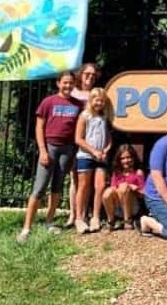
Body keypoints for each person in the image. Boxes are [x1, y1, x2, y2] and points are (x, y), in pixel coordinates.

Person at [17, 70, 82, 242]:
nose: (68, 86)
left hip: (67, 150)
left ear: (74, 84)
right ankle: (26, 228)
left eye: (71, 83)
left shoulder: (78, 105)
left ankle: (49, 221)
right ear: (58, 83)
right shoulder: (48, 102)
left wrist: (74, 152)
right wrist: (43, 150)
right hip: (50, 148)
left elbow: (79, 130)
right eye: (65, 82)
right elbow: (39, 128)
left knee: (57, 188)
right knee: (39, 189)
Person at [66, 62, 101, 228]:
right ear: (81, 74)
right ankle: (73, 214)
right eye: (88, 73)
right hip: (73, 139)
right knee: (74, 179)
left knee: (85, 180)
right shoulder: (72, 92)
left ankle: (84, 213)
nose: (90, 77)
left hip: (90, 142)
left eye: (94, 75)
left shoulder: (95, 93)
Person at [74, 87, 113, 233]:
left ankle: (95, 216)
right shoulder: (84, 116)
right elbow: (78, 138)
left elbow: (108, 136)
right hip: (86, 155)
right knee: (83, 186)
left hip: (101, 156)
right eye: (97, 100)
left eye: (102, 101)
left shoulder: (104, 117)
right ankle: (79, 218)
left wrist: (107, 149)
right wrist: (93, 151)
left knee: (100, 185)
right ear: (91, 101)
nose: (99, 103)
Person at [103, 144, 145, 230]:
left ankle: (128, 220)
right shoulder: (117, 173)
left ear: (133, 158)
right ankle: (111, 220)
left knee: (124, 186)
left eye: (128, 157)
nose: (126, 161)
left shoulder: (138, 172)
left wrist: (134, 188)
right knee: (107, 192)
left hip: (133, 206)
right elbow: (113, 189)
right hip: (118, 205)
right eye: (123, 158)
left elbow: (143, 194)